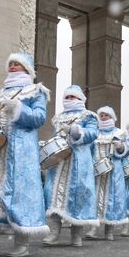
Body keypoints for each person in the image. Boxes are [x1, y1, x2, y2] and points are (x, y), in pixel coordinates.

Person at [0, 52, 49, 257]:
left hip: (21, 151)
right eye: (10, 63)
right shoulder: (0, 93)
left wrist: (19, 108)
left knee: (19, 194)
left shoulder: (36, 91)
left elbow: (39, 118)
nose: (12, 66)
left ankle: (22, 242)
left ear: (27, 69)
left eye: (17, 64)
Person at [42, 85, 99, 247]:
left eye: (73, 97)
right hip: (59, 162)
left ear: (81, 99)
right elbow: (56, 136)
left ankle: (76, 235)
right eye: (67, 97)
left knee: (78, 195)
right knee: (53, 193)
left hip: (78, 161)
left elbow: (92, 134)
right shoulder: (58, 117)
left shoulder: (89, 116)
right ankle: (54, 233)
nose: (69, 100)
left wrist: (75, 130)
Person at [85, 106, 128, 241]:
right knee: (96, 198)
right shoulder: (95, 133)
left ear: (112, 117)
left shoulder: (120, 133)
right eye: (101, 115)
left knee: (112, 199)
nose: (103, 117)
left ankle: (109, 230)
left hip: (113, 171)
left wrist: (120, 147)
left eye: (106, 115)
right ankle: (94, 228)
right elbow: (89, 149)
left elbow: (127, 152)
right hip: (96, 170)